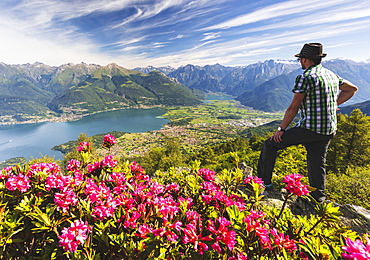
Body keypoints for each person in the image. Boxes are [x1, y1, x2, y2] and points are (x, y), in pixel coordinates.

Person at [257, 43, 358, 203]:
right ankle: (318, 198)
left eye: (300, 60)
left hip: (310, 128)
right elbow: (352, 89)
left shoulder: (306, 77)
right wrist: (334, 104)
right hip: (328, 128)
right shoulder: (331, 75)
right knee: (317, 162)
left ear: (304, 60)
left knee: (270, 145)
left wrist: (281, 129)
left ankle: (263, 184)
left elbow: (293, 107)